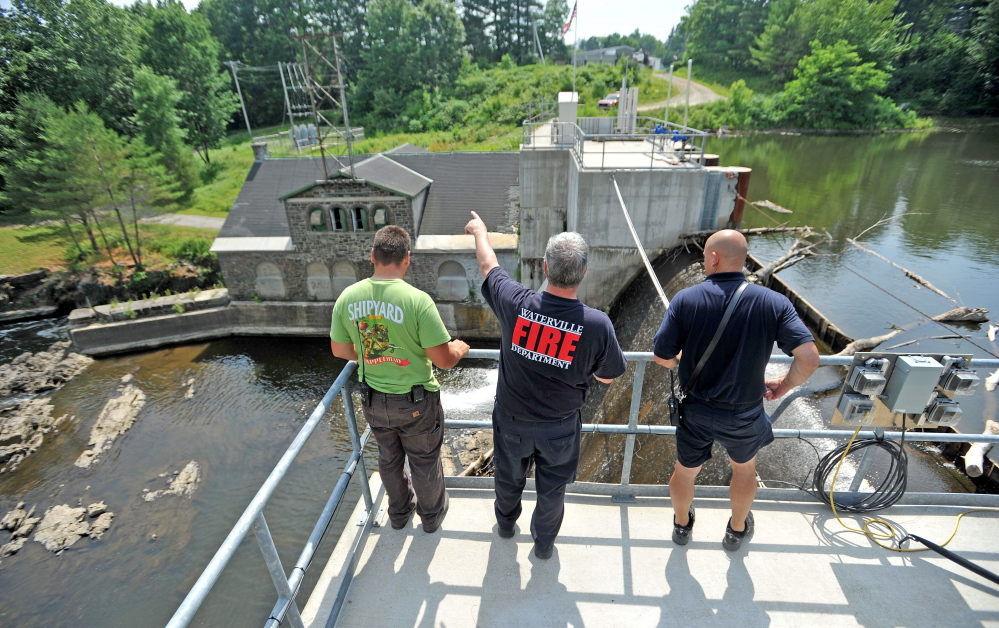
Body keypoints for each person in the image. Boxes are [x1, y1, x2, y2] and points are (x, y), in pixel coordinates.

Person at [465, 211, 627, 559]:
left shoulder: (515, 303)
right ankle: (543, 545)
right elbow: (608, 375)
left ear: (544, 267)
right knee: (552, 490)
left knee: (509, 480)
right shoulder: (597, 325)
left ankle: (506, 526)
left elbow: (488, 266)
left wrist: (480, 230)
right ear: (584, 272)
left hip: (511, 421)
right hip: (560, 427)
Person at [653, 229, 819, 551]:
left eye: (704, 258)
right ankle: (736, 530)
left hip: (696, 410)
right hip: (743, 412)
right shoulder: (773, 302)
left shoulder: (686, 299)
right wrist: (785, 384)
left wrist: (679, 363)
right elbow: (809, 359)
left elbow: (662, 357)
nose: (703, 262)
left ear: (714, 258)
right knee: (744, 469)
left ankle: (682, 526)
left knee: (685, 471)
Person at [331, 226, 470, 533]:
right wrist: (458, 349)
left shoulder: (348, 297)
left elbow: (341, 350)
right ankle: (431, 517)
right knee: (424, 461)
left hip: (373, 399)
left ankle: (399, 513)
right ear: (407, 258)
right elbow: (442, 360)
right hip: (417, 401)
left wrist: (372, 357)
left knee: (388, 459)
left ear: (372, 256)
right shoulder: (418, 301)